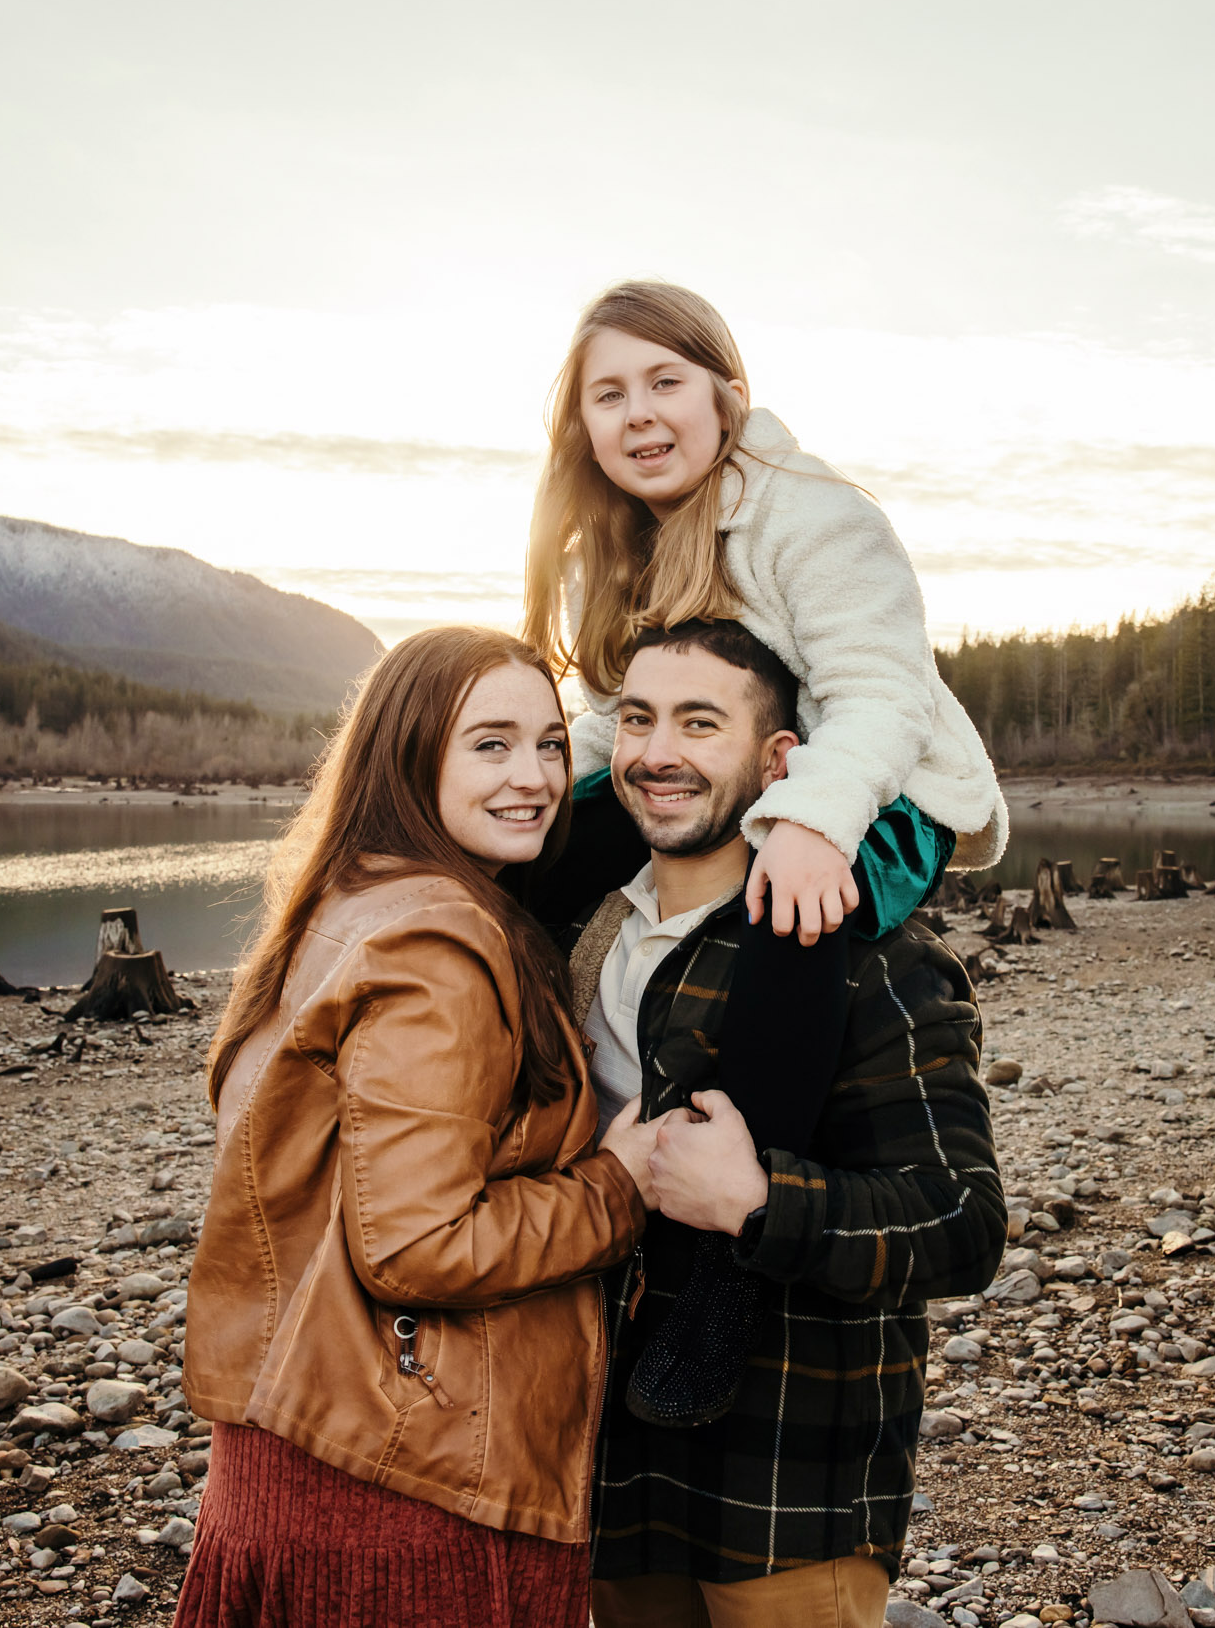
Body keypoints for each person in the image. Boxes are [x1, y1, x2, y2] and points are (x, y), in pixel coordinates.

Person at [522, 279, 1009, 1425]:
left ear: (727, 396)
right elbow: (607, 716)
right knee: (531, 867)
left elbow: (878, 696)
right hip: (758, 769)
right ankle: (521, 1138)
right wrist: (523, 791)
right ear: (580, 422)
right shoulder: (613, 545)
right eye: (609, 392)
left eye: (665, 382)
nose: (639, 412)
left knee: (802, 913)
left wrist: (807, 822)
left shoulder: (814, 514)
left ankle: (718, 1270)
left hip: (877, 777)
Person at [176, 626, 667, 1628]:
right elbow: (418, 1242)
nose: (531, 775)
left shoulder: (342, 902)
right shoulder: (438, 943)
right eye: (489, 744)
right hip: (408, 1477)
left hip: (299, 1439)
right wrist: (620, 1182)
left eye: (549, 743)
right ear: (408, 752)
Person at [567, 618, 1005, 1627]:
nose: (656, 752)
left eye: (698, 722)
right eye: (637, 719)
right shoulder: (586, 939)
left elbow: (961, 1224)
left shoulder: (869, 957)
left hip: (786, 1488)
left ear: (781, 760)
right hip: (608, 1469)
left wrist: (762, 1202)